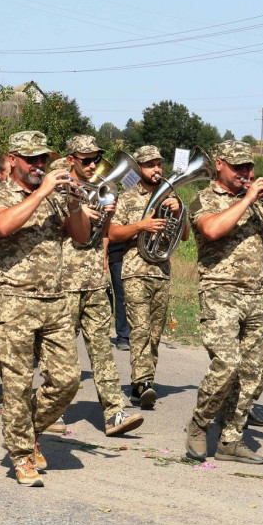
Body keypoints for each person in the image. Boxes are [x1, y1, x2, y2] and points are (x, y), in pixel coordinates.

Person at [0, 130, 92, 487]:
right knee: (16, 384)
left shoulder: (56, 195)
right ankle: (21, 454)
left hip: (55, 301)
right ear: (12, 158)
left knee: (67, 381)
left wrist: (75, 203)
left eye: (43, 159)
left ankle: (26, 431)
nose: (39, 165)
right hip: (14, 301)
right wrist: (43, 191)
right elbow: (2, 225)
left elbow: (81, 236)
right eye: (31, 159)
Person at [184, 140, 263, 465]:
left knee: (250, 372)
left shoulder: (258, 203)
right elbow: (212, 230)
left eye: (249, 167)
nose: (245, 173)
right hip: (219, 292)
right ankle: (199, 424)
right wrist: (247, 199)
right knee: (226, 364)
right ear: (219, 164)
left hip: (256, 294)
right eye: (238, 167)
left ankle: (231, 439)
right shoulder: (204, 199)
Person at [61, 135, 143, 436]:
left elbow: (104, 234)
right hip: (65, 281)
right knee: (62, 354)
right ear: (71, 159)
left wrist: (106, 219)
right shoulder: (58, 188)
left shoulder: (102, 189)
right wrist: (78, 212)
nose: (93, 164)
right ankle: (53, 410)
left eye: (96, 158)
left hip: (94, 280)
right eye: (86, 160)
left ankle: (114, 413)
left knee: (102, 352)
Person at [108, 145, 183, 410]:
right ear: (139, 168)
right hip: (134, 269)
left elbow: (183, 236)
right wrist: (141, 225)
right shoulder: (127, 197)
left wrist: (176, 211)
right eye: (150, 165)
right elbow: (114, 233)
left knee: (154, 333)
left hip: (161, 272)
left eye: (159, 164)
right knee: (139, 328)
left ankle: (144, 381)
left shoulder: (170, 194)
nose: (157, 169)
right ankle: (141, 383)